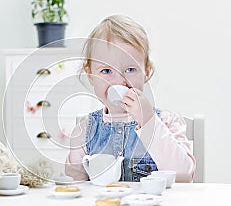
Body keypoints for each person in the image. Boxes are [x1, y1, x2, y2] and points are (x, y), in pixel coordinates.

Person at [65, 15, 195, 182]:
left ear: (146, 71)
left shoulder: (167, 122)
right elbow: (75, 187)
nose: (120, 81)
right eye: (106, 71)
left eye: (130, 69)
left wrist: (148, 122)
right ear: (90, 74)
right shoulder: (83, 132)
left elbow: (183, 177)